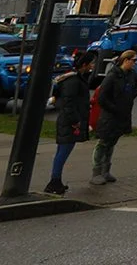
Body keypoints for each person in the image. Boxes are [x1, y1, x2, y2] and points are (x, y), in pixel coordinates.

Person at [44, 50, 95, 195]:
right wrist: (76, 121)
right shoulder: (74, 81)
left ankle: (56, 180)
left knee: (62, 151)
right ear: (84, 64)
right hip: (70, 122)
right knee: (63, 152)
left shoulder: (75, 78)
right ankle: (54, 181)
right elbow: (69, 103)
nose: (92, 66)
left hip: (69, 121)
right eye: (91, 63)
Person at [90, 50, 137, 186]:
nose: (135, 63)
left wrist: (128, 99)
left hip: (122, 115)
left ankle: (106, 170)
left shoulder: (131, 75)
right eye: (133, 60)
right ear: (126, 60)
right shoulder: (112, 76)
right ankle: (96, 172)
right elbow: (102, 97)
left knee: (112, 142)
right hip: (110, 116)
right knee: (103, 143)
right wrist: (114, 107)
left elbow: (136, 87)